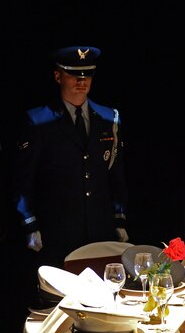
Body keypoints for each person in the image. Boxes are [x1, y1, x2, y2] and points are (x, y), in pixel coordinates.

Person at [13, 46, 128, 290]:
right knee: (60, 299)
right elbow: (24, 179)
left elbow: (115, 174)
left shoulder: (109, 118)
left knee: (102, 295)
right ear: (58, 76)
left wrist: (119, 218)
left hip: (99, 228)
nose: (82, 81)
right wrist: (30, 223)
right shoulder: (39, 120)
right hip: (58, 229)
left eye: (87, 75)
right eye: (75, 75)